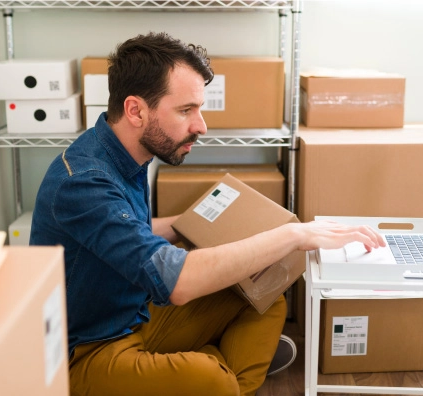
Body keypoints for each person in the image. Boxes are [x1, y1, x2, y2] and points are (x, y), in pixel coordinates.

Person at [29, 32, 385, 396]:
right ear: (136, 110)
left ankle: (210, 374)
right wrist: (292, 235)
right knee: (212, 379)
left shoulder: (124, 153)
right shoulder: (83, 182)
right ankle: (217, 372)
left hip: (135, 315)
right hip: (88, 350)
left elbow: (126, 232)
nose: (201, 125)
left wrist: (197, 221)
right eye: (186, 110)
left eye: (199, 108)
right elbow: (177, 282)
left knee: (261, 290)